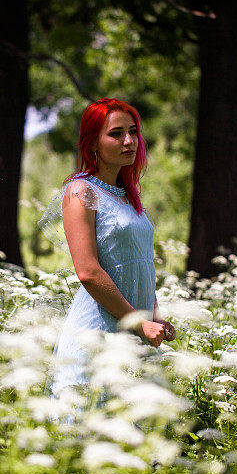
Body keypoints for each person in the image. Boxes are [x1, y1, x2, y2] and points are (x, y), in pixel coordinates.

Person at [39, 97, 176, 396]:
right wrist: (139, 323)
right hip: (97, 332)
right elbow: (87, 271)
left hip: (135, 331)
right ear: (92, 144)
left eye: (133, 132)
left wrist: (154, 316)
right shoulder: (81, 192)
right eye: (116, 134)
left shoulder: (129, 197)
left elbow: (140, 262)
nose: (129, 141)